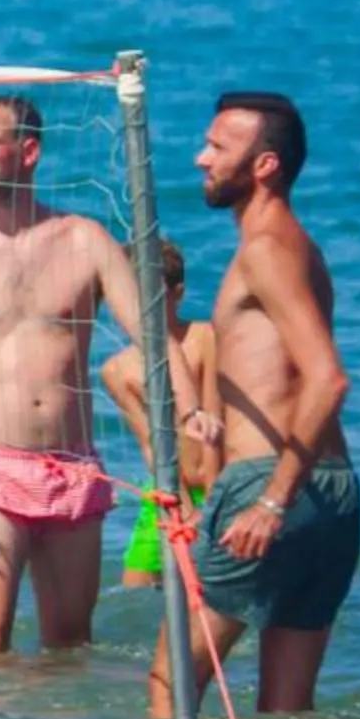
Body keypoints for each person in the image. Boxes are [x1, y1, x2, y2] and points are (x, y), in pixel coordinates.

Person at [0, 93, 153, 657]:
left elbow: (153, 341)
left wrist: (190, 414)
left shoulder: (86, 240)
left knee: (70, 645)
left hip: (72, 467)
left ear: (29, 150)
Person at [151, 92, 360, 719]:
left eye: (217, 147)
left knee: (171, 684)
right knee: (287, 710)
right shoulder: (301, 248)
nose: (200, 158)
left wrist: (270, 501)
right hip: (332, 492)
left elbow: (328, 379)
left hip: (273, 485)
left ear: (264, 164)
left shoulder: (267, 250)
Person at [99, 236, 217, 593]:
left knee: (216, 587)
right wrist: (178, 508)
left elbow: (215, 422)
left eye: (152, 295)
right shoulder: (116, 371)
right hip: (166, 492)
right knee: (136, 586)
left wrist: (209, 506)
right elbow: (151, 445)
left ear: (177, 293)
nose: (141, 310)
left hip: (218, 484)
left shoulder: (204, 339)